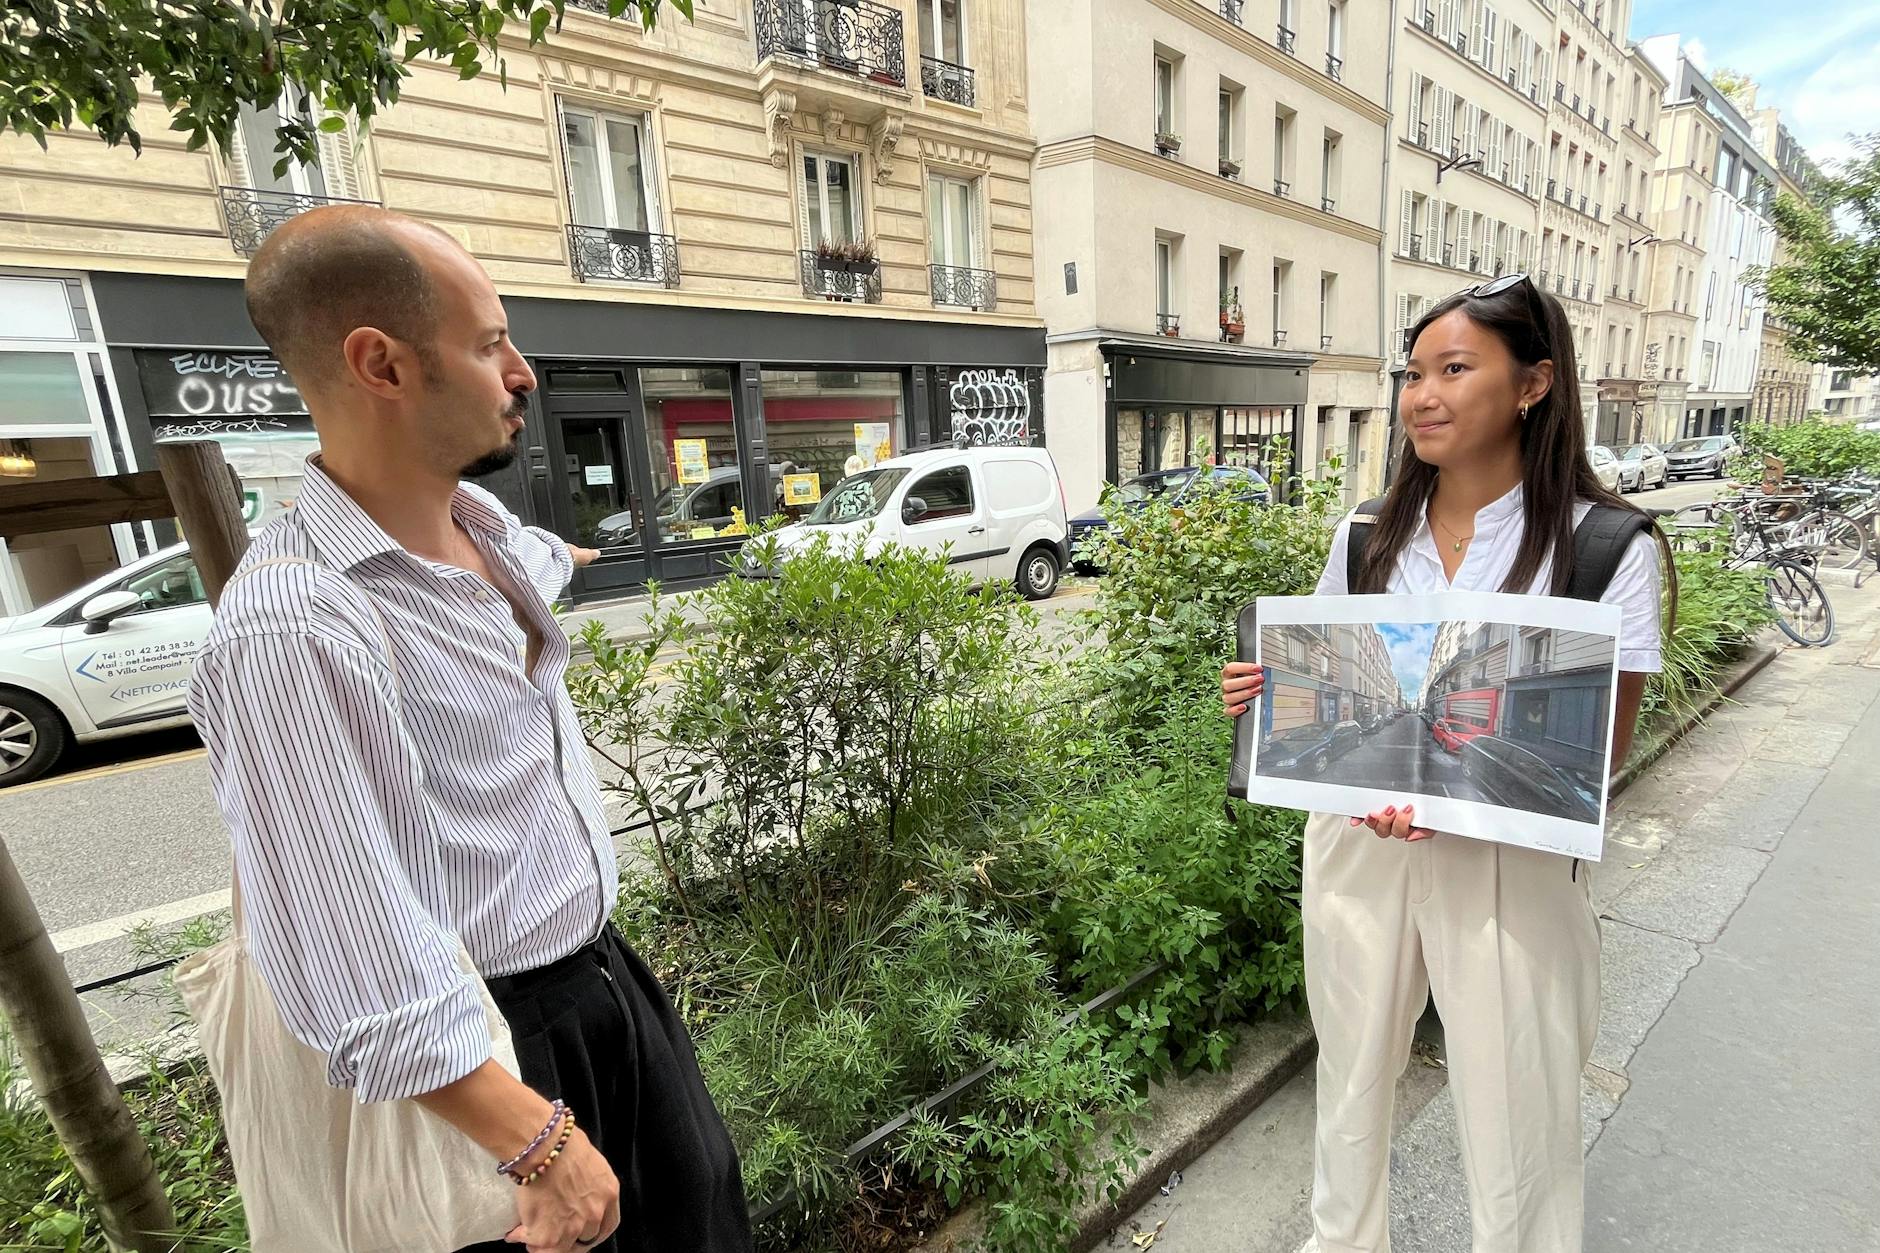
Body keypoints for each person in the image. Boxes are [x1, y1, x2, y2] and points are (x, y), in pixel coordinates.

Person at [188, 205, 754, 1253]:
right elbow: (342, 943)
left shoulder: (482, 531)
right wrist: (530, 1139)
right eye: (491, 342)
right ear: (382, 364)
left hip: (602, 988)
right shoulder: (294, 625)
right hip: (491, 1058)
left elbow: (535, 564)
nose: (523, 371)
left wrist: (569, 564)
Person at [1220, 275, 1668, 1253]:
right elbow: (1322, 689)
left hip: (1507, 868)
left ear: (1531, 383)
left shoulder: (1602, 550)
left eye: (1452, 368)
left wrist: (1465, 781)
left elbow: (1600, 752)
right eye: (1411, 372)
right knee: (1345, 1086)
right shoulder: (1364, 534)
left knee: (1520, 1115)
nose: (1419, 393)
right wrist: (1265, 697)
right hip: (1356, 853)